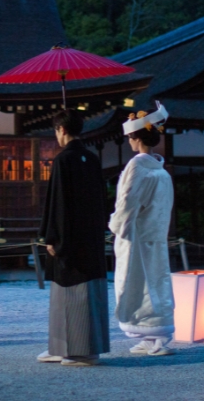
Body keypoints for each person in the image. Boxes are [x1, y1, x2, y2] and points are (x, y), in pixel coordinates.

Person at [38, 110, 111, 366]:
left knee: (70, 293)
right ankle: (62, 348)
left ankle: (79, 351)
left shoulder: (63, 160)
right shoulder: (91, 159)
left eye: (56, 130)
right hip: (89, 238)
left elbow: (59, 203)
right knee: (87, 292)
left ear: (62, 130)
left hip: (68, 237)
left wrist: (53, 238)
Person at [112, 102, 176, 356]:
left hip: (137, 235)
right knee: (155, 281)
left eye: (129, 136)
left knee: (135, 282)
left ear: (136, 137)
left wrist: (117, 226)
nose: (128, 141)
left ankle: (153, 333)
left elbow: (127, 201)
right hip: (155, 235)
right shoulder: (160, 170)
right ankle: (150, 334)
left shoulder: (137, 166)